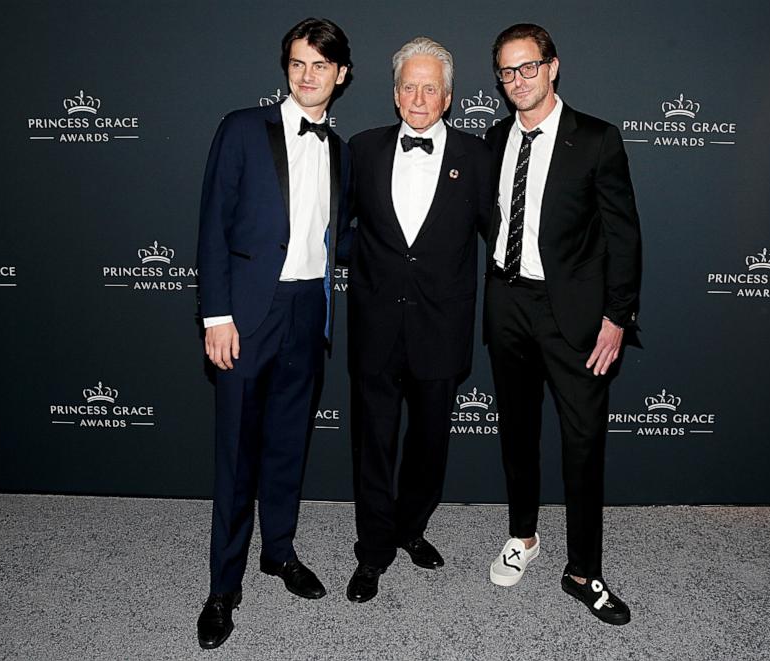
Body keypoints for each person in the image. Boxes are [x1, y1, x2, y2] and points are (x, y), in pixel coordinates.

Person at [194, 17, 353, 649]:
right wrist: (215, 316)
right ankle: (222, 586)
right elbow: (212, 225)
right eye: (297, 64)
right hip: (246, 315)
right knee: (237, 452)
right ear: (286, 70)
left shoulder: (339, 149)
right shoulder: (240, 129)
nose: (308, 76)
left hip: (306, 314)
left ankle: (279, 552)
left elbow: (338, 238)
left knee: (289, 444)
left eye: (320, 66)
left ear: (341, 74)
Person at [483, 23, 642, 626]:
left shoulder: (597, 139)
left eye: (527, 67)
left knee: (582, 442)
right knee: (517, 432)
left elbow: (624, 237)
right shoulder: (494, 138)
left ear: (552, 67)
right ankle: (523, 537)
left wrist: (617, 317)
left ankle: (583, 570)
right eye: (506, 71)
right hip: (505, 304)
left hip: (573, 315)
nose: (517, 80)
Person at [345, 37, 492, 602]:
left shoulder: (477, 158)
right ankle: (374, 551)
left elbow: (502, 236)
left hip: (441, 326)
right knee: (373, 444)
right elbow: (334, 229)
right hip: (376, 325)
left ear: (449, 97)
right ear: (394, 94)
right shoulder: (361, 150)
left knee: (430, 445)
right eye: (410, 85)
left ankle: (412, 527)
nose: (420, 96)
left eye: (431, 87)